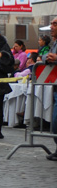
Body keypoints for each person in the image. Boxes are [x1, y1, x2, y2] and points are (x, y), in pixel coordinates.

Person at [42, 17, 57, 160]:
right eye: (51, 23)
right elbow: (45, 57)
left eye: (55, 24)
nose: (51, 27)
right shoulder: (54, 43)